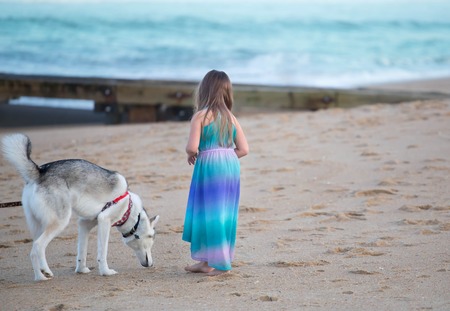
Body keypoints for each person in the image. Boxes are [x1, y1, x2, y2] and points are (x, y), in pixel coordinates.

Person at [182, 70, 249, 276]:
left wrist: (191, 154)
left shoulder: (200, 116)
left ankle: (220, 264)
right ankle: (207, 261)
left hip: (210, 165)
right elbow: (244, 149)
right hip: (230, 165)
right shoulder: (231, 117)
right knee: (224, 211)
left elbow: (192, 147)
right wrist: (225, 157)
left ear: (204, 91)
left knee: (209, 212)